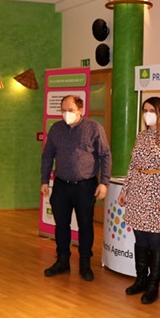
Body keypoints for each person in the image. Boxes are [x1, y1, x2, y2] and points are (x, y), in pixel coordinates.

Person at [117, 97, 160, 304]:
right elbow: (132, 165)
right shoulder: (142, 136)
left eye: (152, 110)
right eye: (145, 110)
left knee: (155, 240)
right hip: (137, 192)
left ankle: (153, 285)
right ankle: (141, 279)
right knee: (140, 238)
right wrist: (125, 190)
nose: (147, 114)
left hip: (157, 195)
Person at [41, 95, 112, 281]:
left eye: (70, 110)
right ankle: (62, 260)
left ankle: (85, 263)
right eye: (63, 110)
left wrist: (104, 182)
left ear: (80, 110)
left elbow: (105, 155)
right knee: (61, 225)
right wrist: (44, 180)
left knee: (85, 225)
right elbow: (47, 155)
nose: (66, 114)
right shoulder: (56, 129)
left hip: (85, 186)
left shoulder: (94, 128)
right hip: (61, 185)